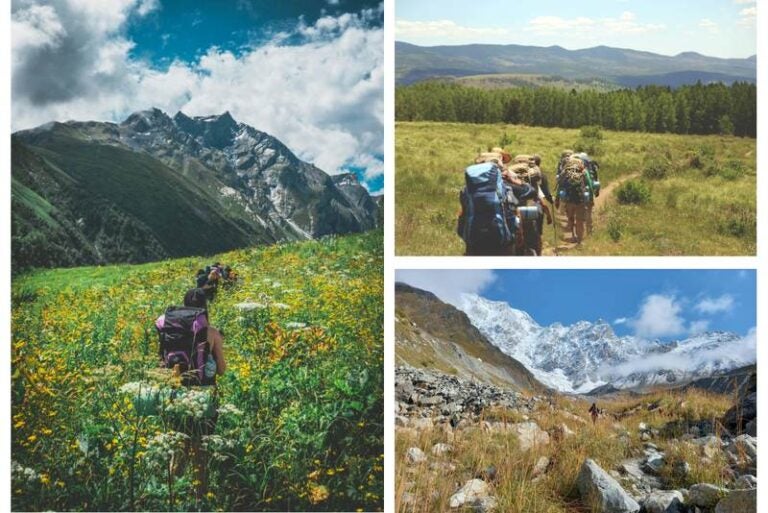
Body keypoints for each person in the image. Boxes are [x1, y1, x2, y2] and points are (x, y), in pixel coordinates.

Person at [169, 288, 227, 501]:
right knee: (200, 449)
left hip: (177, 394)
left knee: (179, 447)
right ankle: (199, 499)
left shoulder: (172, 330)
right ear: (204, 308)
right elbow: (222, 370)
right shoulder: (211, 332)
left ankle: (171, 496)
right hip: (204, 396)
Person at [555, 157, 594, 244]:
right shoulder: (584, 172)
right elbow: (590, 185)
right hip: (580, 200)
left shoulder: (565, 172)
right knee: (580, 221)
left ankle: (573, 236)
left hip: (569, 200)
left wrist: (557, 199)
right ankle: (579, 241)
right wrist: (591, 198)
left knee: (570, 219)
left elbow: (560, 187)